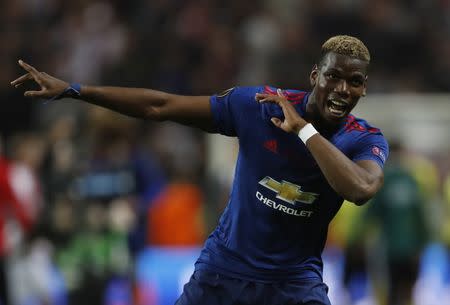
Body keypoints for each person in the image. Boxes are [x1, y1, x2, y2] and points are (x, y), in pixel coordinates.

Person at [11, 35, 389, 305]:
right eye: (332, 76)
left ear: (364, 88)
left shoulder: (363, 139)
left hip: (293, 284)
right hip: (223, 273)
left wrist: (304, 131)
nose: (342, 89)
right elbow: (160, 106)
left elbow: (361, 189)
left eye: (353, 81)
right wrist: (76, 90)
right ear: (314, 75)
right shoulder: (258, 105)